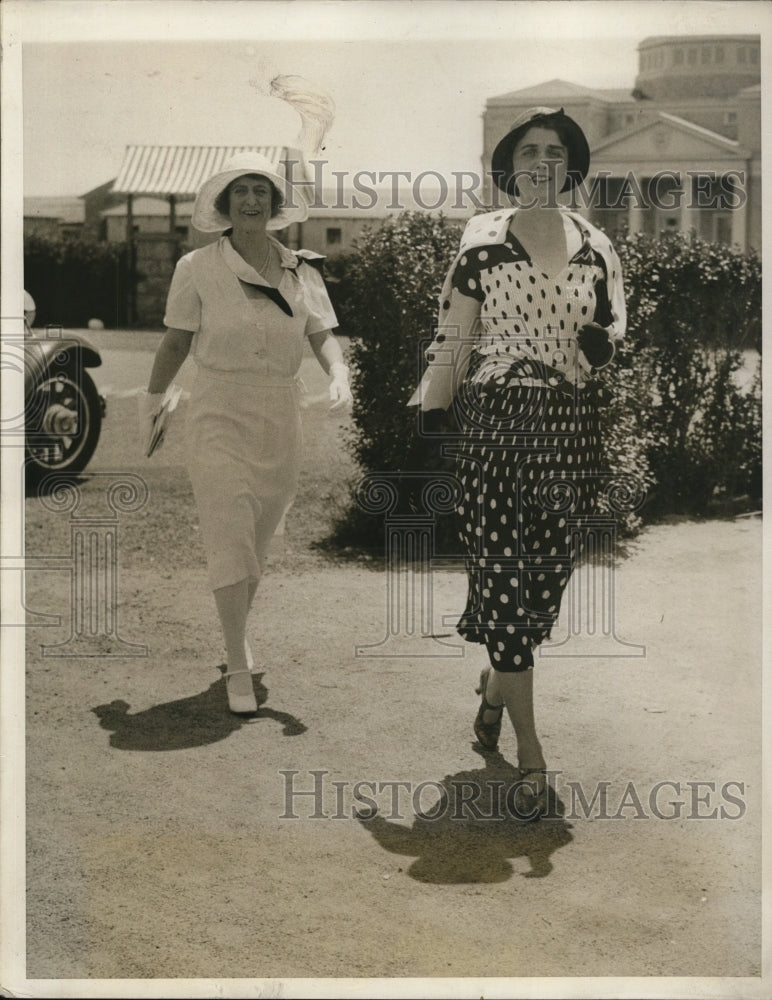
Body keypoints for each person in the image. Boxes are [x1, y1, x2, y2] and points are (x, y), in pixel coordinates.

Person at [409, 107, 626, 817]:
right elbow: (453, 328)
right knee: (502, 576)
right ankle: (531, 750)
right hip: (496, 420)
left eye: (554, 152)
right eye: (528, 150)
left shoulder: (597, 245)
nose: (540, 161)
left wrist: (605, 344)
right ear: (511, 165)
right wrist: (435, 402)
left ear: (571, 166)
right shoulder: (482, 239)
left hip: (569, 426)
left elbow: (614, 319)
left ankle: (497, 684)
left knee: (543, 587)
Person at [140, 151, 352, 716]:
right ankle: (237, 659)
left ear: (275, 204)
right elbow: (175, 342)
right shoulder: (196, 267)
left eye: (262, 191)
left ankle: (236, 636)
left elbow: (322, 333)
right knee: (229, 526)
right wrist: (154, 399)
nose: (253, 201)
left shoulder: (300, 269)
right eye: (242, 193)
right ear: (225, 206)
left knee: (257, 538)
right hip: (218, 408)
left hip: (280, 416)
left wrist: (340, 372)